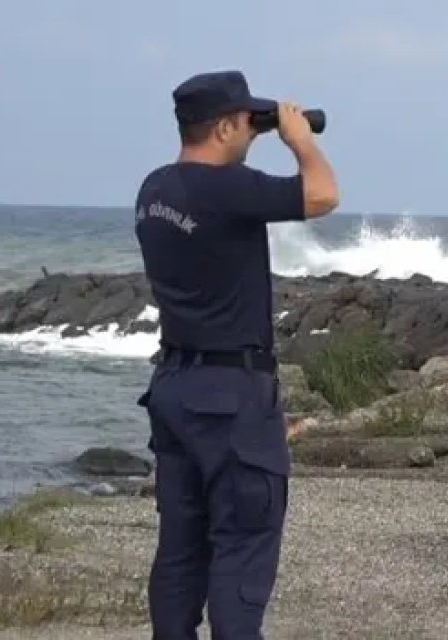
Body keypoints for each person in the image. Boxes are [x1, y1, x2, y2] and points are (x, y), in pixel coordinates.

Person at [133, 70, 339, 639]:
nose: (252, 130)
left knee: (180, 549)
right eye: (247, 121)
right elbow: (322, 193)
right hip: (233, 397)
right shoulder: (230, 190)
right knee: (241, 549)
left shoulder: (154, 190)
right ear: (224, 126)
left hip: (174, 386)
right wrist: (299, 139)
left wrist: (263, 127)